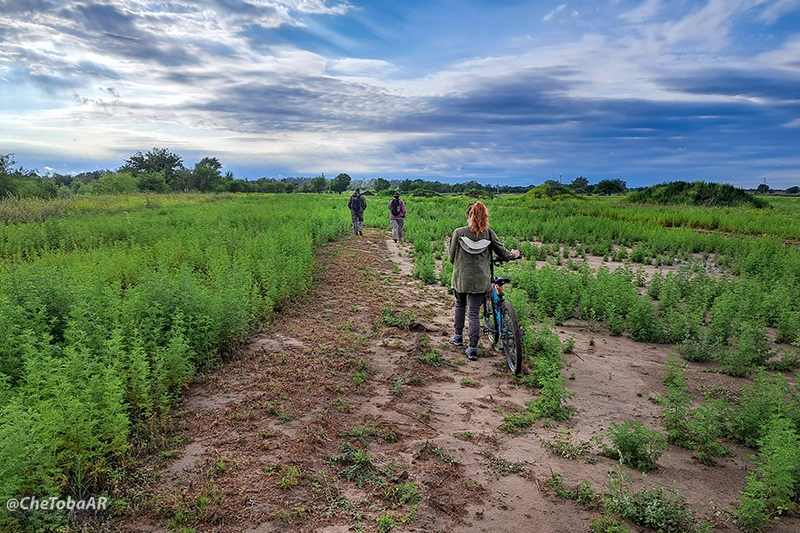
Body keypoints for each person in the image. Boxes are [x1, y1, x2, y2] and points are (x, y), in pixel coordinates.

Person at [449, 201, 520, 361]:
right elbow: (503, 252)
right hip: (481, 280)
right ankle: (473, 349)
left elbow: (451, 257)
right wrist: (514, 254)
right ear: (485, 216)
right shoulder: (488, 234)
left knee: (460, 305)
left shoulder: (459, 233)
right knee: (473, 312)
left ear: (468, 215)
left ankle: (458, 337)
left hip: (461, 279)